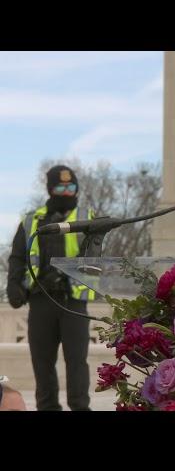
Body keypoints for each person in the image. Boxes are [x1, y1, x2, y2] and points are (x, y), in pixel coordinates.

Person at [6, 165, 95, 411]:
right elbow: (17, 257)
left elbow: (95, 258)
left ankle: (80, 407)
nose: (66, 192)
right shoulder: (31, 219)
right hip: (40, 299)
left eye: (71, 187)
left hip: (73, 301)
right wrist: (13, 284)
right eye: (60, 187)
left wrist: (65, 275)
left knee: (76, 362)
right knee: (42, 362)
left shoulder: (88, 218)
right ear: (49, 189)